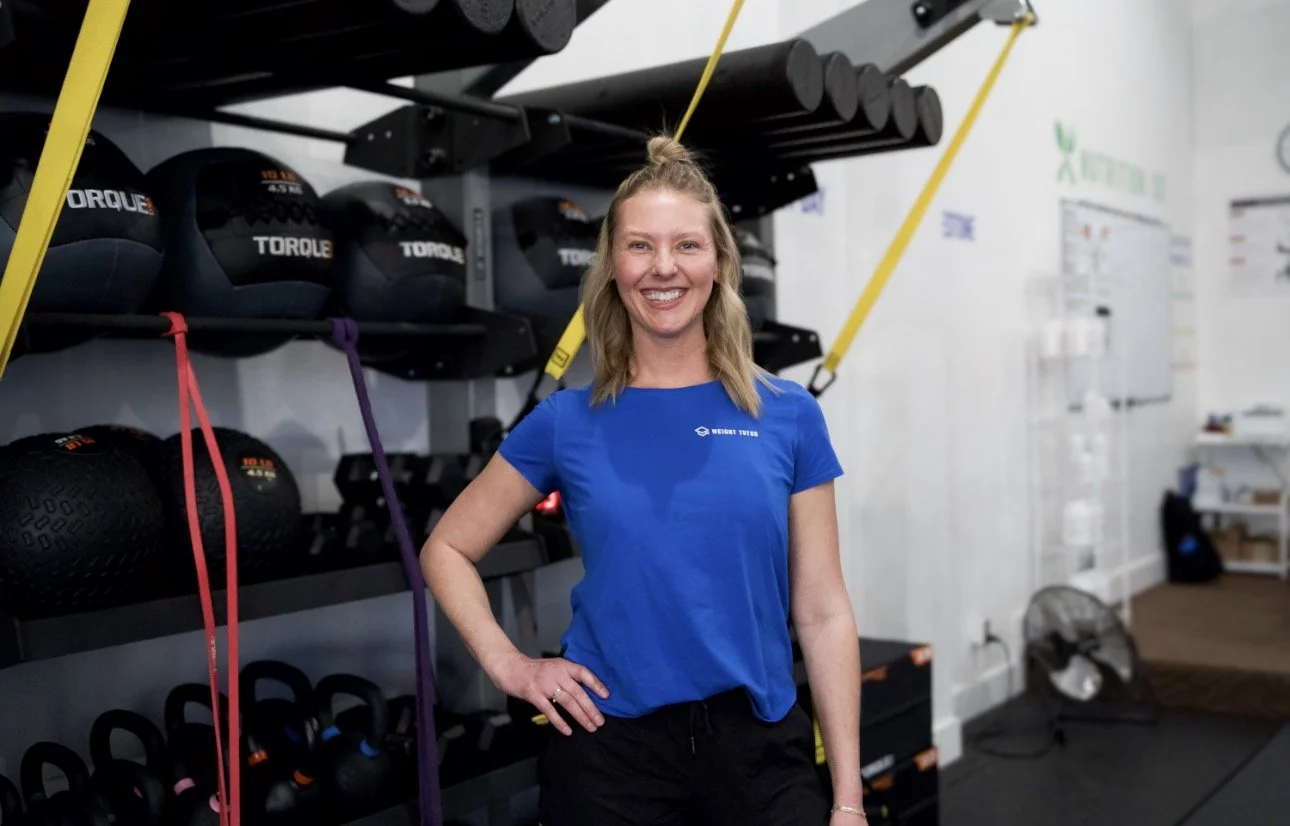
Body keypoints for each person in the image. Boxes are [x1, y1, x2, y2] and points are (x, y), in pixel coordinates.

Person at [421, 136, 863, 825]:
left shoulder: (787, 414)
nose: (664, 268)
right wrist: (510, 665)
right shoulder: (566, 421)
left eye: (687, 245)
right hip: (611, 753)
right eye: (640, 247)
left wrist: (848, 799)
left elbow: (823, 610)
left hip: (758, 749)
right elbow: (445, 550)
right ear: (612, 267)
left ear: (718, 262)